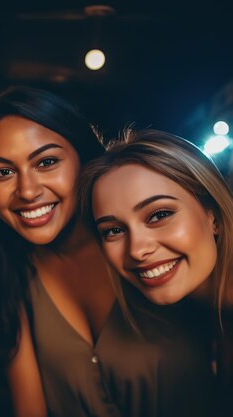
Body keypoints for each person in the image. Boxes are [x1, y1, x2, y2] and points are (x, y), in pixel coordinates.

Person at [0, 87, 216, 417]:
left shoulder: (151, 254)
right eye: (3, 172)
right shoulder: (10, 274)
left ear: (84, 158)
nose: (27, 191)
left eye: (46, 162)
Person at [79, 128, 233, 404]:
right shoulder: (203, 313)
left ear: (213, 215)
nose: (138, 250)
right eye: (113, 231)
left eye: (160, 215)